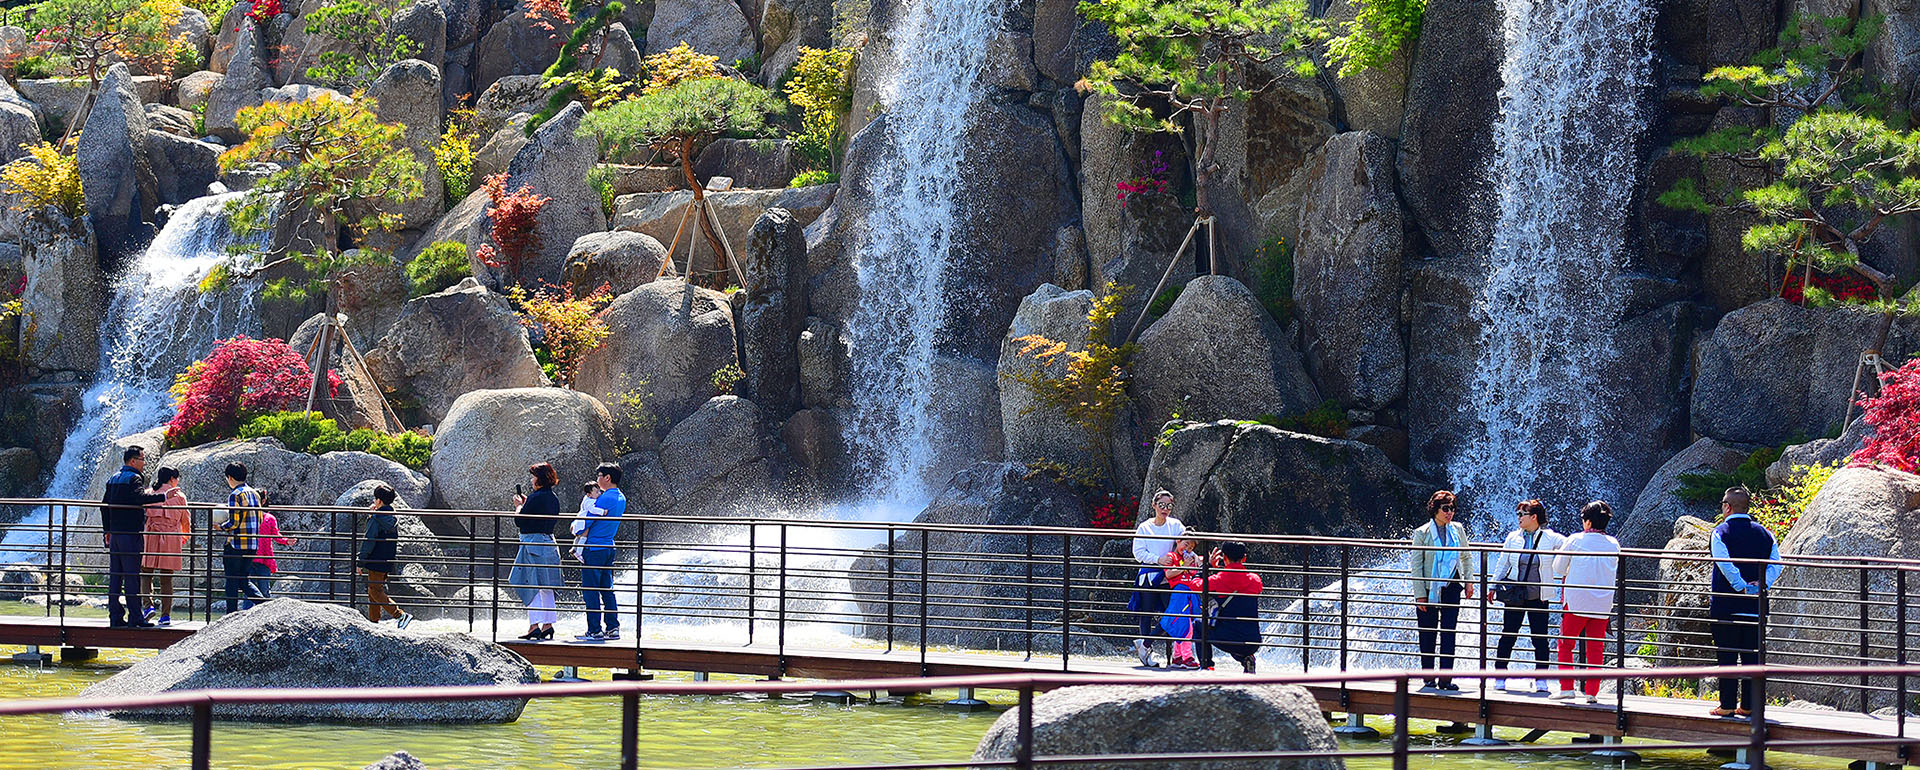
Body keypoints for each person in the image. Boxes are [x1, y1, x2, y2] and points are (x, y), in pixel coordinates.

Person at [1708, 486, 1782, 718]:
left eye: (1722, 504)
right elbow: (1776, 564)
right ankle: (1749, 706)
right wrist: (1760, 585)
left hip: (1726, 605)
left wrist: (1740, 586)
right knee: (1752, 656)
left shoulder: (1720, 532)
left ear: (1727, 507)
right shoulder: (1765, 533)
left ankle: (1727, 705)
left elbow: (1724, 562)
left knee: (1727, 655)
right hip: (1756, 608)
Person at [1549, 501, 1621, 704]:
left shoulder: (1575, 540)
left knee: (1565, 644)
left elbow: (1559, 568)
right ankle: (1591, 693)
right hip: (1602, 603)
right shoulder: (1614, 543)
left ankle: (1567, 688)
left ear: (1588, 522)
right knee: (1595, 648)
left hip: (1576, 601)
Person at [1492, 499, 1564, 693]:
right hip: (1516, 594)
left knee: (1539, 638)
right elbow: (1503, 563)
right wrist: (1493, 585)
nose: (1519, 518)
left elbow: (1569, 548)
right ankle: (1500, 676)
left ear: (1534, 517)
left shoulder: (1550, 538)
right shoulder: (1512, 538)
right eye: (1518, 514)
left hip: (1539, 595)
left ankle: (1541, 679)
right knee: (1508, 635)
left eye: (1522, 514)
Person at [1410, 490, 1475, 691]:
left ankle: (1446, 678)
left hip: (1452, 585)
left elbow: (1466, 557)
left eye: (1452, 508)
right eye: (1445, 508)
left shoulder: (1458, 529)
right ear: (1435, 509)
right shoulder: (1422, 533)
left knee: (1449, 631)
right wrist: (1419, 594)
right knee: (1427, 633)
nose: (1450, 512)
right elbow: (1416, 565)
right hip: (1430, 588)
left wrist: (1469, 581)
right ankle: (1428, 677)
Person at [101, 446, 165, 628]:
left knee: (116, 576)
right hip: (130, 533)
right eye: (142, 459)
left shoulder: (113, 478)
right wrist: (162, 497)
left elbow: (103, 505)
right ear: (132, 461)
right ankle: (135, 618)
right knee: (131, 576)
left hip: (115, 535)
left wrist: (107, 530)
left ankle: (115, 617)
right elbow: (139, 498)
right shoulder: (134, 478)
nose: (144, 463)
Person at [1128, 489, 1185, 667]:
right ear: (1154, 505)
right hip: (1149, 575)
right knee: (1146, 613)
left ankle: (1148, 645)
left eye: (1168, 505)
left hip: (1169, 576)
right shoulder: (1144, 527)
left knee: (1171, 613)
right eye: (1161, 505)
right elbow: (1138, 553)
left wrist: (1176, 556)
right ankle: (1147, 653)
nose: (1165, 509)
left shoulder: (1176, 525)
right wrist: (1157, 559)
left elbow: (1185, 542)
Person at [510, 463, 566, 641]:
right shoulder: (553, 498)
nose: (532, 480)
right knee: (546, 585)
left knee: (528, 582)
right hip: (549, 542)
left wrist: (519, 506)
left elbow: (520, 521)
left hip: (532, 544)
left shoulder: (535, 498)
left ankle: (534, 625)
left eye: (533, 476)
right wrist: (527, 505)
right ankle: (548, 624)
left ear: (540, 478)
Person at [575, 462, 625, 642]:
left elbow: (583, 525)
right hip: (609, 546)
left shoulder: (603, 499)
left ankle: (594, 630)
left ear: (607, 478)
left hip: (594, 548)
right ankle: (612, 627)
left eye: (599, 477)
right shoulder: (621, 497)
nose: (597, 481)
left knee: (590, 590)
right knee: (607, 589)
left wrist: (575, 528)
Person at [1202, 541, 1264, 673]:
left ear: (1224, 558)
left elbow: (1196, 585)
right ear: (1244, 558)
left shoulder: (1218, 579)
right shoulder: (1255, 579)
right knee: (1235, 631)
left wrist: (1207, 566)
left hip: (1227, 639)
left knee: (1198, 625)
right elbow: (1238, 583)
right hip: (1252, 641)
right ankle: (1246, 659)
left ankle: (1206, 666)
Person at [214, 462, 267, 614]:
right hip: (252, 544)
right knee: (243, 580)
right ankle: (264, 605)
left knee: (231, 580)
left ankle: (230, 615)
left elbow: (233, 522)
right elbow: (260, 518)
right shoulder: (255, 493)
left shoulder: (235, 495)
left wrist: (220, 527)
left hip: (236, 545)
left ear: (229, 477)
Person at [140, 467, 188, 627]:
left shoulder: (149, 493)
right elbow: (185, 521)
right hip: (171, 538)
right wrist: (184, 537)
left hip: (151, 535)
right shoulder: (180, 497)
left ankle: (148, 606)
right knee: (167, 578)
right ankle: (165, 616)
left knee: (146, 572)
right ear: (172, 479)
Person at [358, 484, 411, 628]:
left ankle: (400, 615)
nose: (374, 502)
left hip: (375, 558)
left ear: (379, 501)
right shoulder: (391, 516)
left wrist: (360, 561)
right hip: (387, 558)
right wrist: (373, 514)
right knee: (374, 590)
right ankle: (374, 621)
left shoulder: (376, 519)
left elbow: (369, 540)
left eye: (375, 499)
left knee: (375, 590)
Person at [1157, 539, 1204, 670]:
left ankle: (1177, 657)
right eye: (1186, 544)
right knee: (1185, 626)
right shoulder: (1171, 556)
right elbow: (1169, 573)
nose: (1187, 548)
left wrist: (1194, 561)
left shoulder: (1191, 557)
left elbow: (1195, 573)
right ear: (1178, 541)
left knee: (1186, 624)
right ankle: (1187, 658)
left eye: (1191, 547)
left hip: (1190, 593)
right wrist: (1185, 566)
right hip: (1179, 593)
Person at [246, 508, 295, 608]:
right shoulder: (247, 516)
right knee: (248, 589)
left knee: (264, 590)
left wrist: (286, 540)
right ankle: (246, 614)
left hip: (264, 558)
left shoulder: (269, 518)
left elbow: (276, 535)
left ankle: (263, 614)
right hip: (250, 558)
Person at [571, 482, 599, 562]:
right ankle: (579, 552)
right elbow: (593, 509)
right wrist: (603, 512)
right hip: (584, 521)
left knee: (578, 536)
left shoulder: (586, 498)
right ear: (589, 494)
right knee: (584, 536)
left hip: (581, 520)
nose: (599, 493)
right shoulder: (590, 501)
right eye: (597, 492)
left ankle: (574, 548)